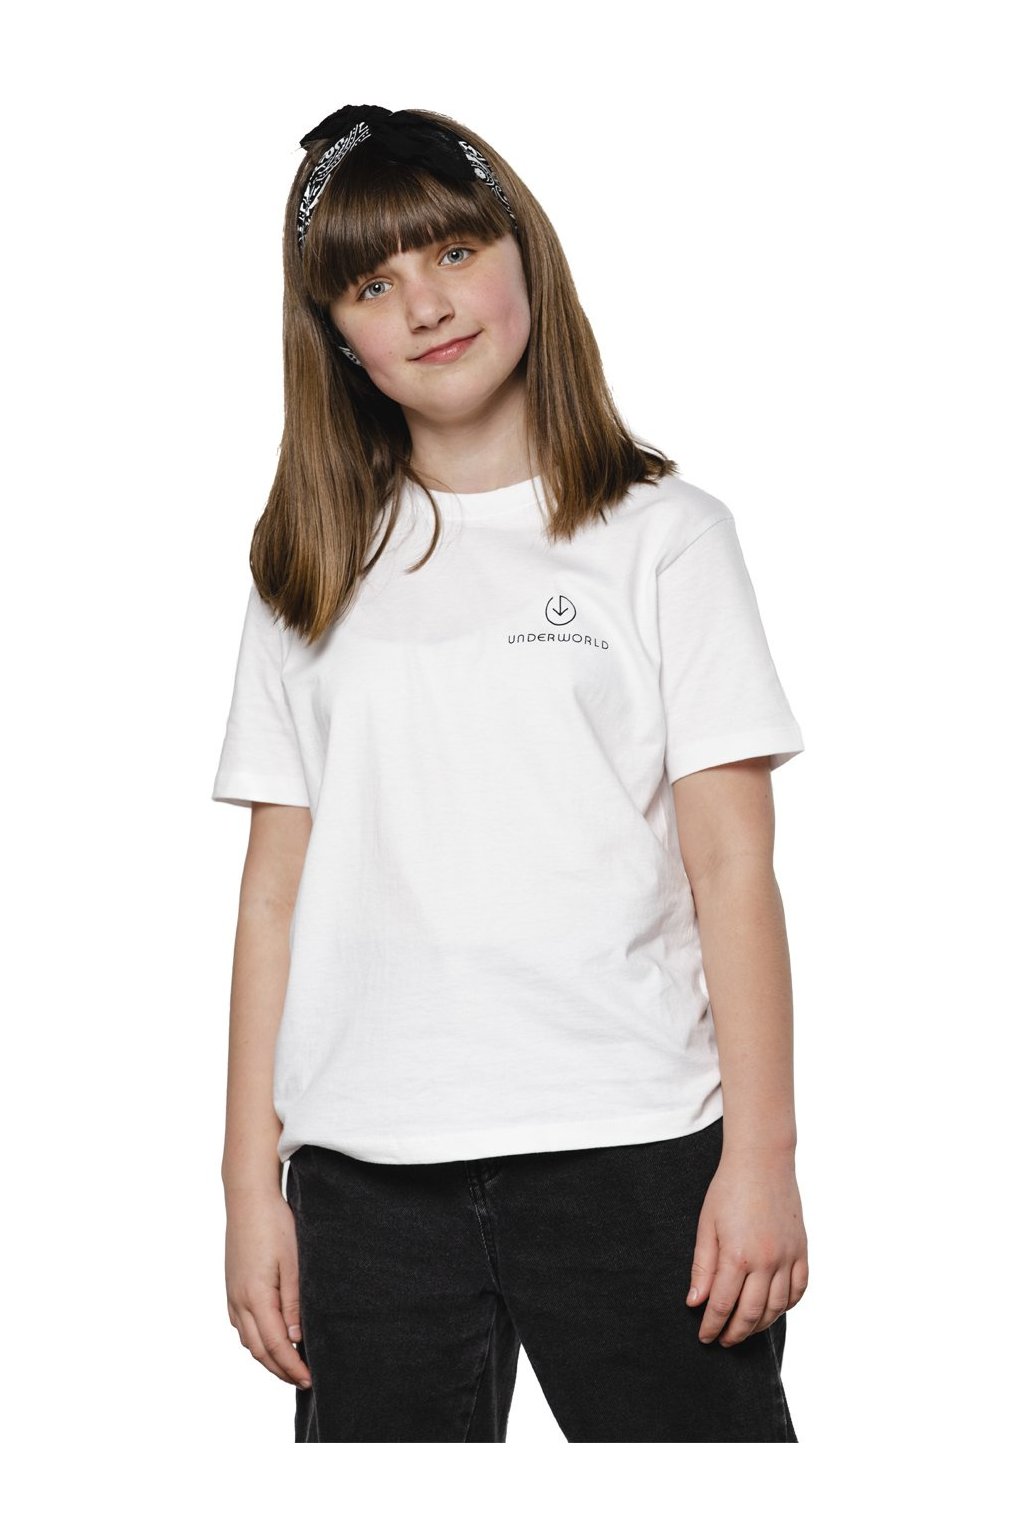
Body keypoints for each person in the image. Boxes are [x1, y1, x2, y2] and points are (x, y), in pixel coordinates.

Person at [211, 103, 809, 1443]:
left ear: (523, 253)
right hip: (366, 1177)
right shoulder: (307, 569)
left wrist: (761, 1158)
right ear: (336, 336)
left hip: (633, 1145)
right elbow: (270, 901)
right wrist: (251, 1187)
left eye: (453, 251)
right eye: (371, 284)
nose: (425, 305)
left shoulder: (665, 538)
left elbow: (732, 868)